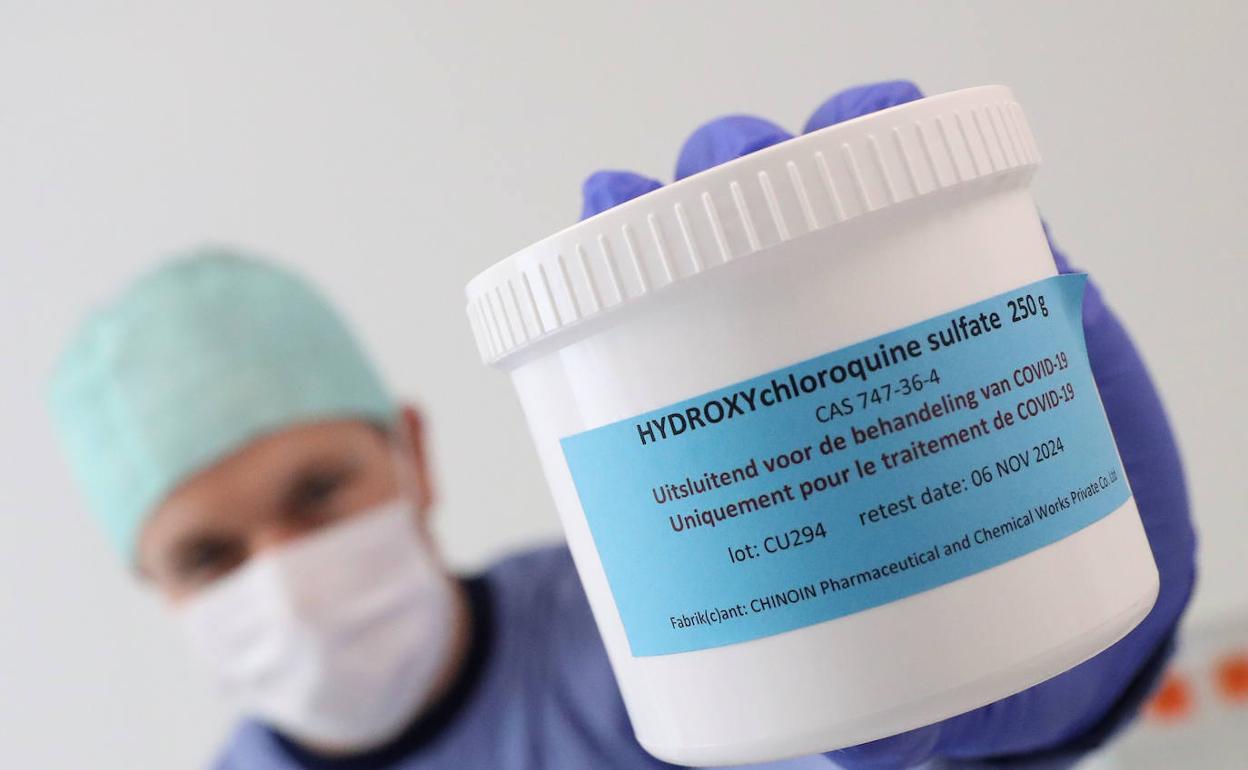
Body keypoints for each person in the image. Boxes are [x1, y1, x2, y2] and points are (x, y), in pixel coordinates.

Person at [49, 81, 1195, 770]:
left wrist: (1055, 668)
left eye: (316, 491)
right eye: (209, 553)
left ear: (412, 451)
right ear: (151, 585)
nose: (287, 577)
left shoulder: (677, 616)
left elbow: (885, 727)